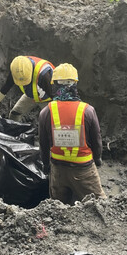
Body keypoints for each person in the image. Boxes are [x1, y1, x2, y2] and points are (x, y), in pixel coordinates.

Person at [38, 63, 106, 205]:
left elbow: (43, 144)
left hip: (58, 171)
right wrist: (98, 159)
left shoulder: (46, 112)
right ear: (75, 84)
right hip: (84, 170)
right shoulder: (87, 110)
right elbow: (97, 139)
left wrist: (45, 165)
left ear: (54, 84)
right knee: (100, 206)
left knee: (58, 208)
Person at [0, 56, 54, 121]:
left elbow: (55, 96)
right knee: (14, 114)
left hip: (48, 99)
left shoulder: (44, 75)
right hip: (31, 95)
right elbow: (7, 85)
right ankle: (14, 132)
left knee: (50, 121)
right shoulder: (17, 70)